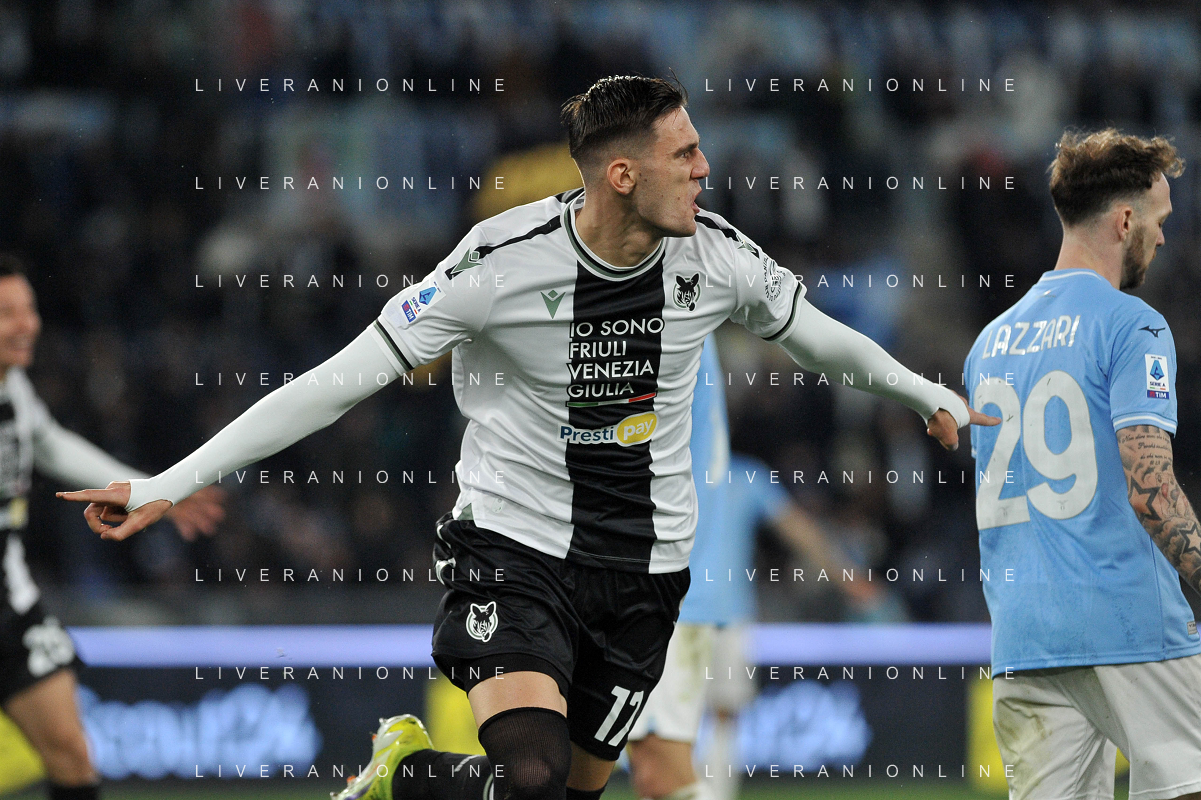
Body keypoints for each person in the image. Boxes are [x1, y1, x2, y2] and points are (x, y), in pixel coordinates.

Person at [62, 76, 991, 800]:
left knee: (564, 792)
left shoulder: (714, 255)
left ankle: (410, 776)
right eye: (684, 153)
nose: (705, 168)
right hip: (514, 549)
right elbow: (337, 381)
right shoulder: (498, 265)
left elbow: (817, 337)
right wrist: (169, 480)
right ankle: (414, 774)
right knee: (535, 776)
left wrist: (919, 391)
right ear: (621, 175)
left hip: (645, 570)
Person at [963, 129, 1201, 800]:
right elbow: (1150, 490)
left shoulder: (988, 343)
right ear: (1124, 220)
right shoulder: (1133, 325)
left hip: (1023, 638)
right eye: (1157, 220)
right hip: (1127, 624)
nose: (1161, 238)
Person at [625, 341, 902, 800]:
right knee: (714, 721)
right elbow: (801, 532)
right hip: (707, 616)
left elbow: (800, 532)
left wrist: (849, 578)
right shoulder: (741, 476)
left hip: (682, 614)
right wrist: (849, 578)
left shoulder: (686, 474)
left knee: (677, 731)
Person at [0, 255, 225, 800]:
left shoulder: (14, 388)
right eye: (7, 313)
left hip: (10, 603)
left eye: (30, 309)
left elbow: (51, 444)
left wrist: (151, 490)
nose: (27, 324)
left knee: (73, 756)